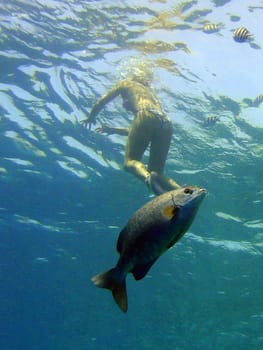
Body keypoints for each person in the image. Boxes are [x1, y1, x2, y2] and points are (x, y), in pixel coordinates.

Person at [80, 68, 180, 195]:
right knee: (157, 171)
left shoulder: (126, 83)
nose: (123, 104)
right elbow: (143, 130)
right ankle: (183, 191)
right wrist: (115, 130)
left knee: (130, 162)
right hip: (166, 122)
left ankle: (148, 179)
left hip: (146, 115)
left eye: (123, 99)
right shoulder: (151, 95)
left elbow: (101, 101)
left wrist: (91, 117)